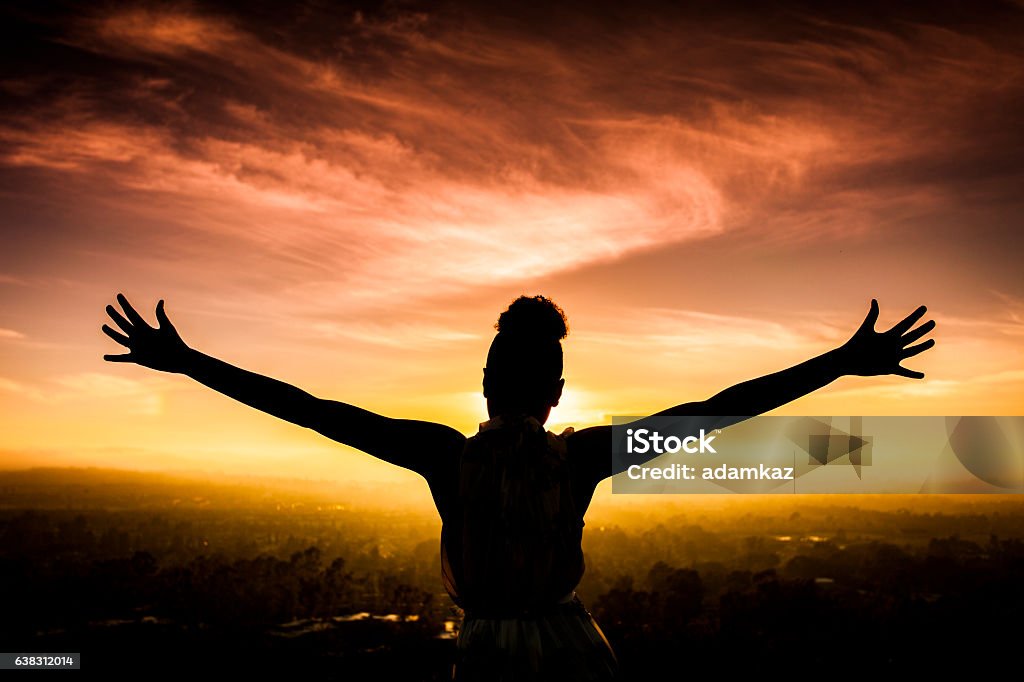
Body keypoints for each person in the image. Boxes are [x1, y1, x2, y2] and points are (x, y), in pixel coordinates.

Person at [101, 293, 935, 680]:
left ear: (488, 378)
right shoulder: (579, 460)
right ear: (555, 393)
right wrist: (839, 363)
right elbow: (717, 412)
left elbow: (312, 411)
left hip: (515, 659)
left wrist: (190, 363)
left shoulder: (446, 455)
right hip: (571, 654)